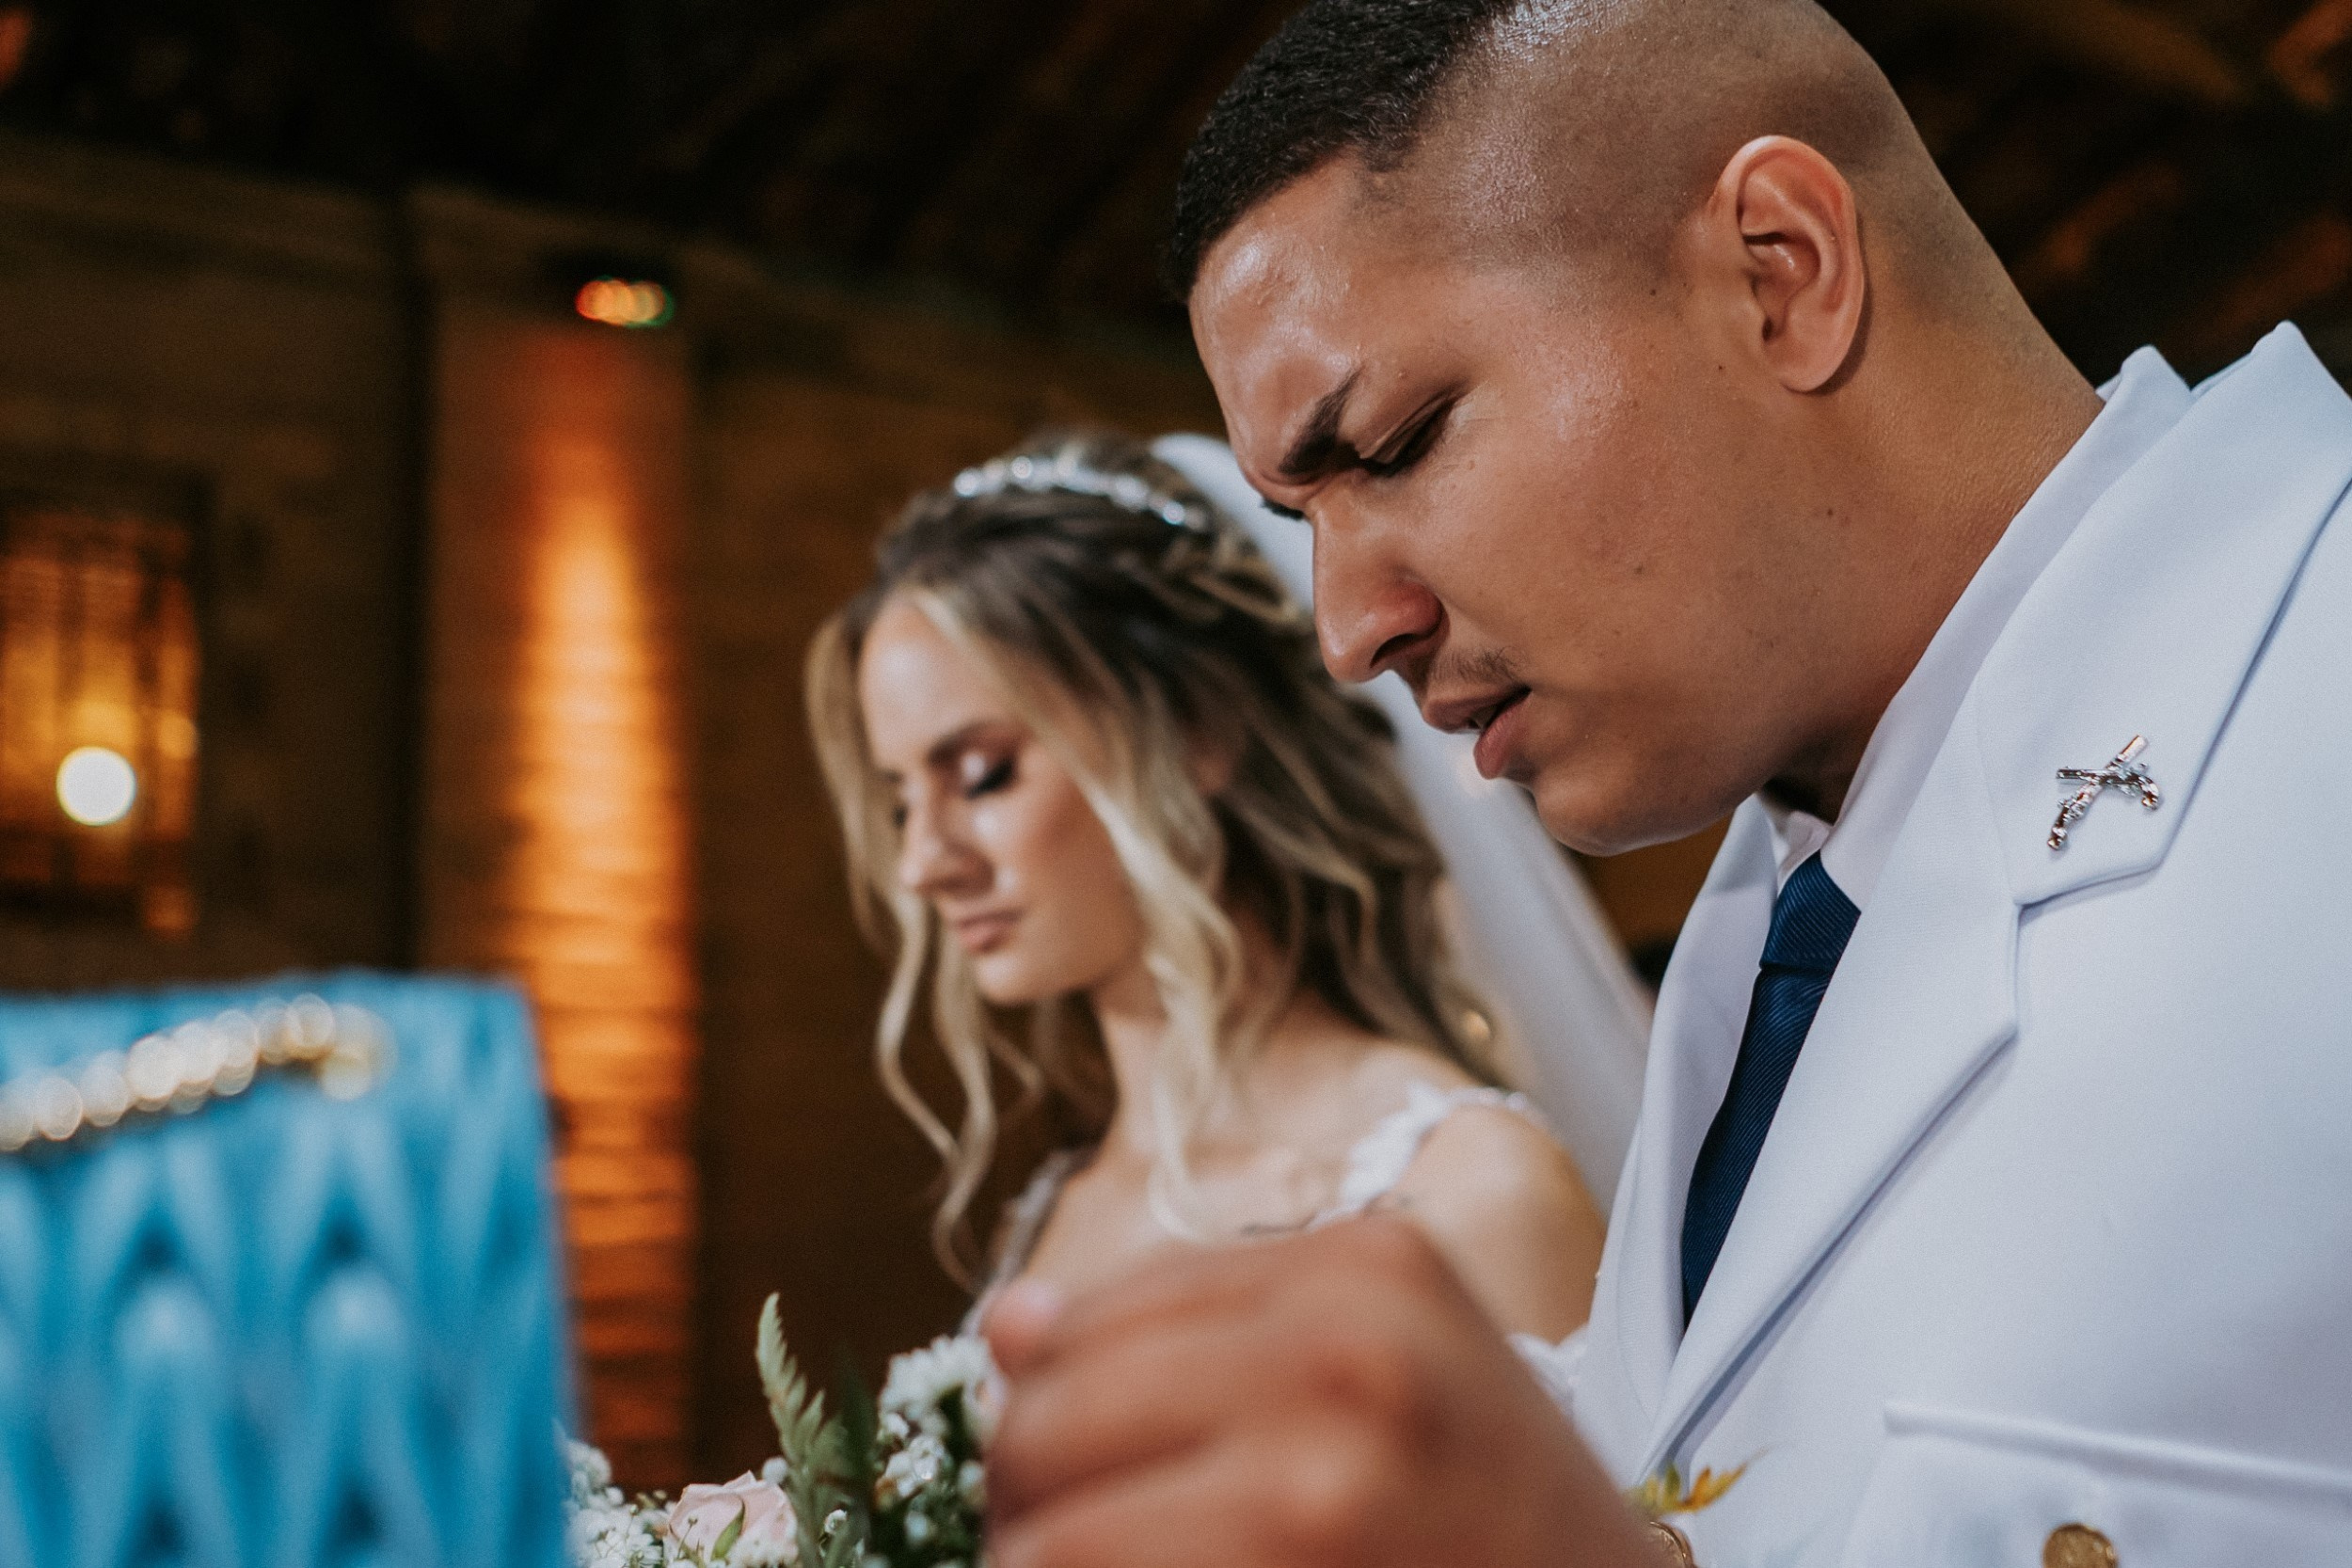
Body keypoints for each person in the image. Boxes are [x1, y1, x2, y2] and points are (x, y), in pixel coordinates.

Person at [977, 2, 2352, 1566]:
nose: (1350, 631)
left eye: (1399, 440)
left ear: (1781, 273)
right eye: (1301, 515)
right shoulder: (1785, 912)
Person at [804, 429, 1606, 1363]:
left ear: (1196, 733)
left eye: (981, 774)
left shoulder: (1467, 1192)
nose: (922, 862)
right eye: (901, 797)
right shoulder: (1057, 1206)